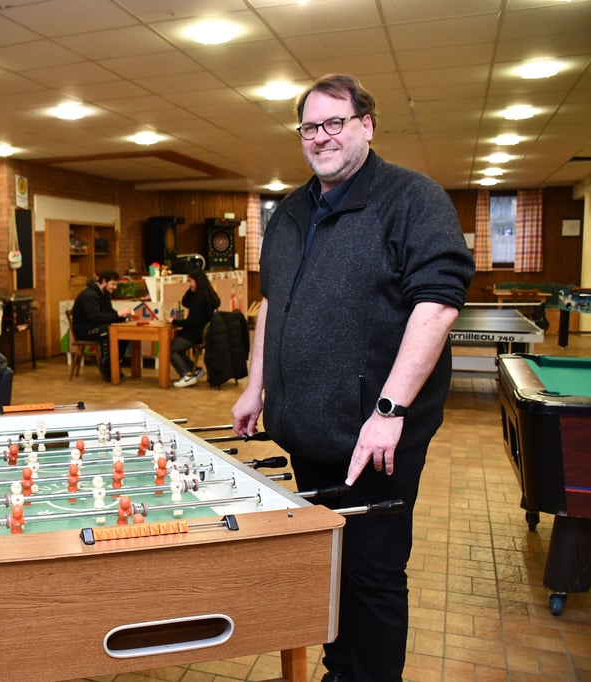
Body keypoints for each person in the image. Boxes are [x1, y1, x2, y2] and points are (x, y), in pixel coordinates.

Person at [231, 74, 474, 682]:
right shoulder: (288, 212)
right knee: (329, 562)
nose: (321, 137)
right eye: (310, 127)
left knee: (371, 575)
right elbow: (272, 306)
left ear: (366, 125)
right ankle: (341, 669)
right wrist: (255, 385)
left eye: (334, 122)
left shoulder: (413, 199)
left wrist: (389, 413)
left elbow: (438, 304)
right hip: (308, 431)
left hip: (375, 439)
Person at [70, 270, 132, 381]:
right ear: (104, 281)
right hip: (85, 330)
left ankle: (115, 364)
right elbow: (95, 318)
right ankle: (106, 366)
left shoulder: (104, 294)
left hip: (97, 327)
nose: (115, 288)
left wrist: (122, 316)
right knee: (108, 331)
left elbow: (109, 313)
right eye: (113, 284)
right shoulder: (89, 295)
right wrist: (118, 314)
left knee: (123, 331)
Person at [169, 269, 220, 388]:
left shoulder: (200, 299)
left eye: (190, 281)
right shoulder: (206, 295)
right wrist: (191, 289)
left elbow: (193, 322)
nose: (189, 284)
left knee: (171, 349)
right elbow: (185, 302)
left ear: (198, 281)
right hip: (202, 332)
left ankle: (186, 374)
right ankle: (195, 370)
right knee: (176, 347)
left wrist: (175, 321)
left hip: (196, 333)